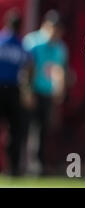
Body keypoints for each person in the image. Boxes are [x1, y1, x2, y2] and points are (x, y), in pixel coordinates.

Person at [23, 9, 67, 175]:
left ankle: (38, 166)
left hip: (47, 94)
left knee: (43, 130)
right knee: (27, 129)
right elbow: (26, 69)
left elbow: (59, 70)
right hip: (32, 92)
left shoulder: (60, 47)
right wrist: (27, 91)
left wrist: (59, 90)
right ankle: (22, 164)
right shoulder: (32, 42)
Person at [0, 9, 31, 175]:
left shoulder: (1, 41)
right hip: (13, 90)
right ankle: (13, 168)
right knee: (15, 131)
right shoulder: (21, 45)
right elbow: (28, 66)